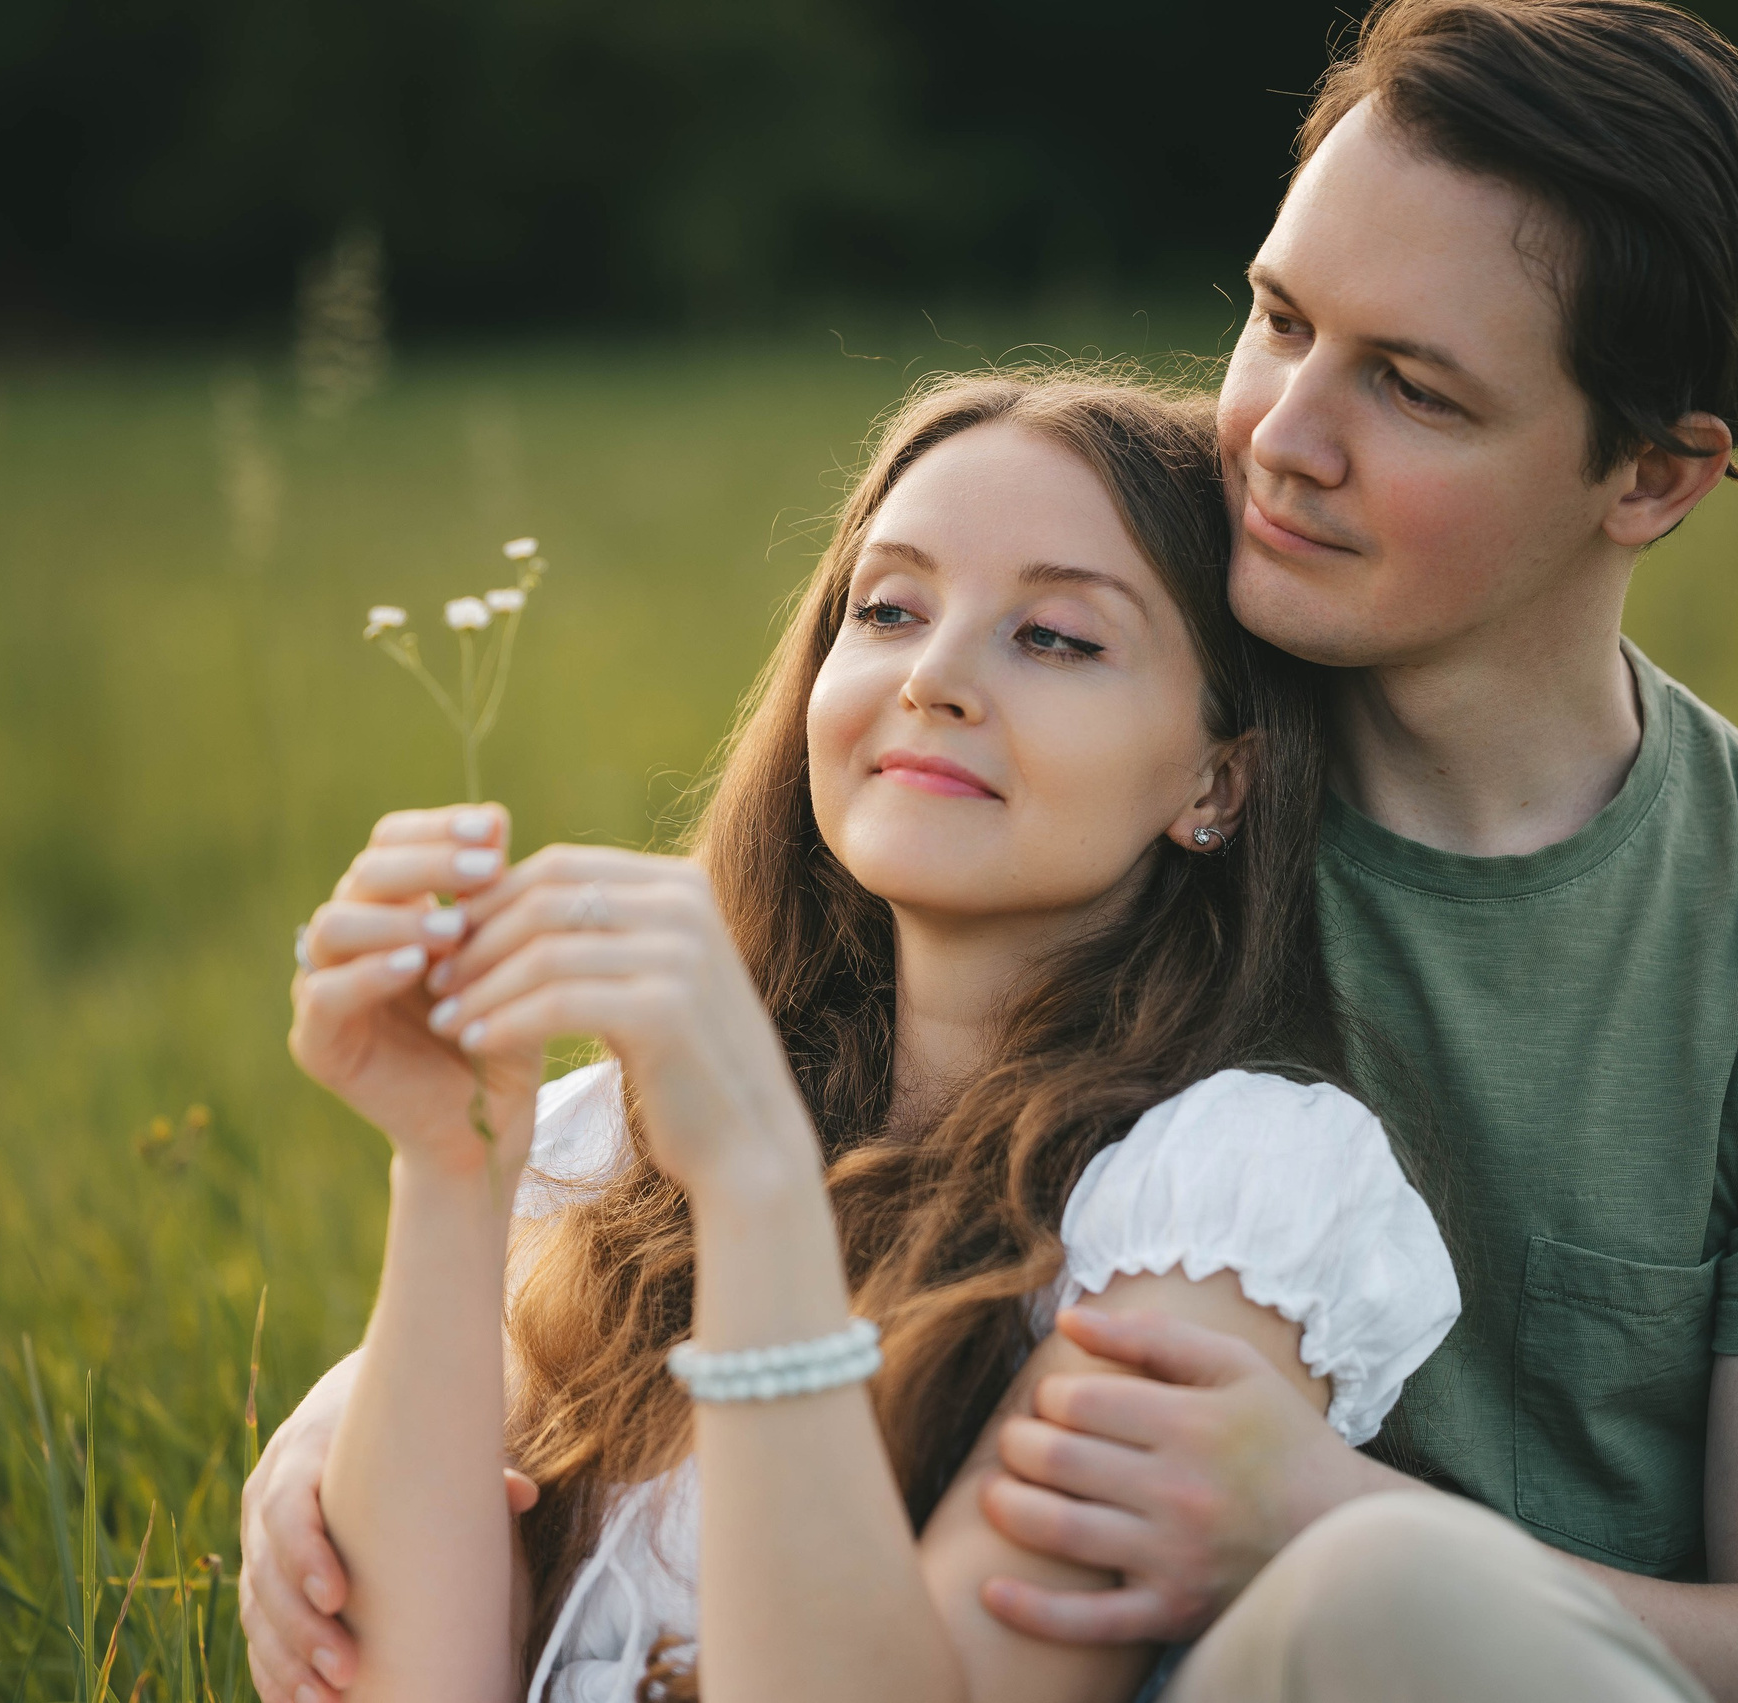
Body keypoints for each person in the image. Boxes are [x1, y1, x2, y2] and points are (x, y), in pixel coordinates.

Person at [249, 2, 1738, 1698]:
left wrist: (1328, 1509)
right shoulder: (1054, 828)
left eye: (1409, 387)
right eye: (1278, 317)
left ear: (1652, 474)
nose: (1279, 431)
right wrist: (367, 1418)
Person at [276, 371, 1463, 1703]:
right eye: (888, 610)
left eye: (1057, 637)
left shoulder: (1226, 1200)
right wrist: (449, 1165)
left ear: (1215, 782)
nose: (935, 677)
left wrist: (760, 1191)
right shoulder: (611, 1138)